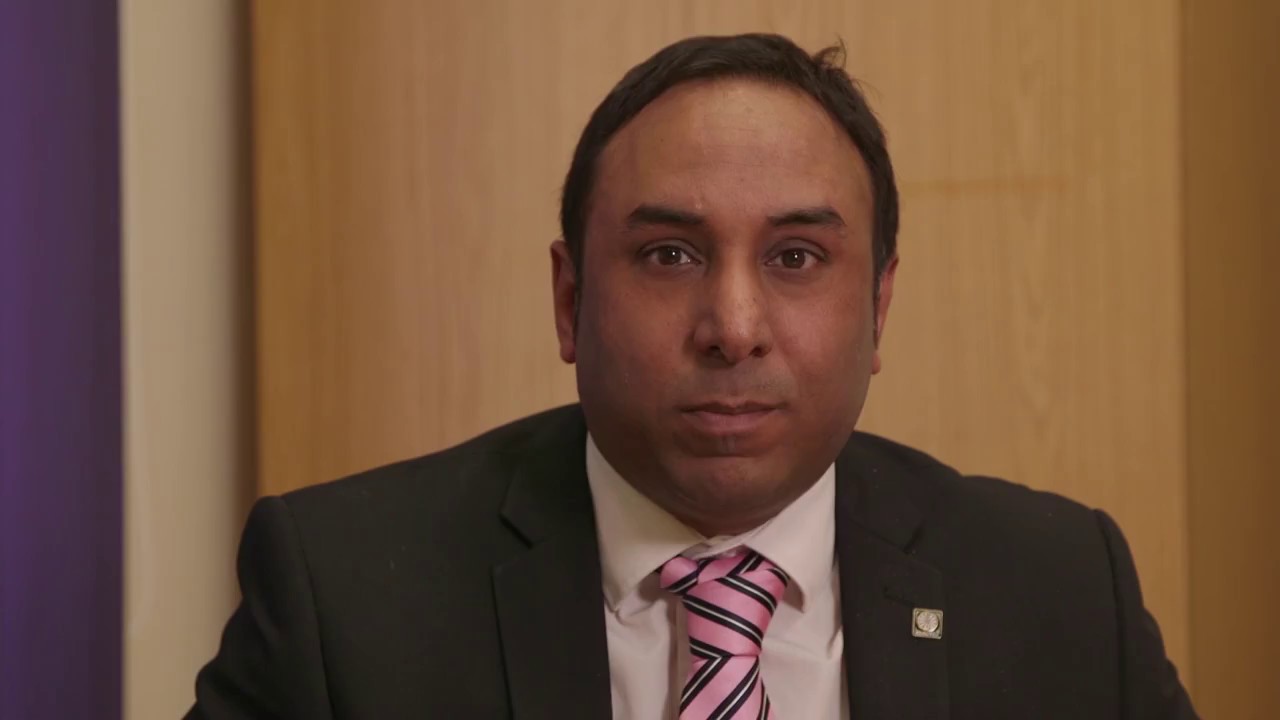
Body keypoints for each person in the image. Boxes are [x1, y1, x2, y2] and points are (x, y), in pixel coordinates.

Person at [187, 33, 1197, 719]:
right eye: (669, 255)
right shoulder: (343, 597)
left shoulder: (1057, 591)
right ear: (569, 299)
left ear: (878, 307)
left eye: (795, 257)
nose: (733, 329)